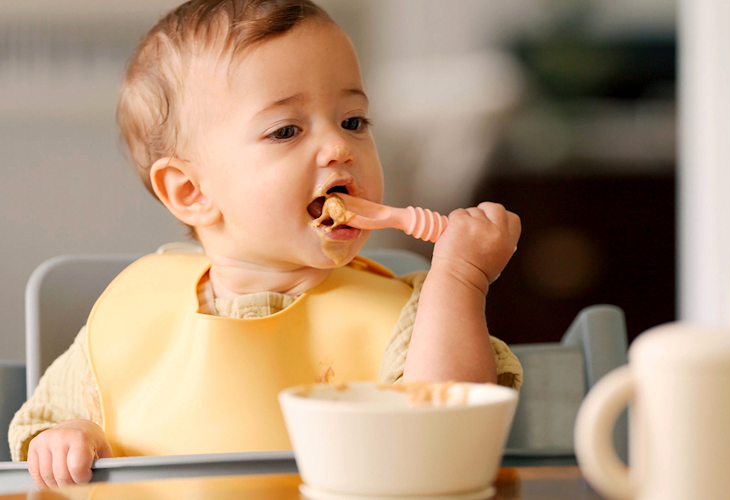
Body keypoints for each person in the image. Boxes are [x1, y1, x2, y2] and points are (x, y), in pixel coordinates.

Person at [9, 0, 523, 490]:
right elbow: (43, 428)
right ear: (192, 192)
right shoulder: (132, 312)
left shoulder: (411, 319)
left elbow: (447, 444)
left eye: (352, 121)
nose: (339, 146)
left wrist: (459, 279)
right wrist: (69, 438)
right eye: (285, 131)